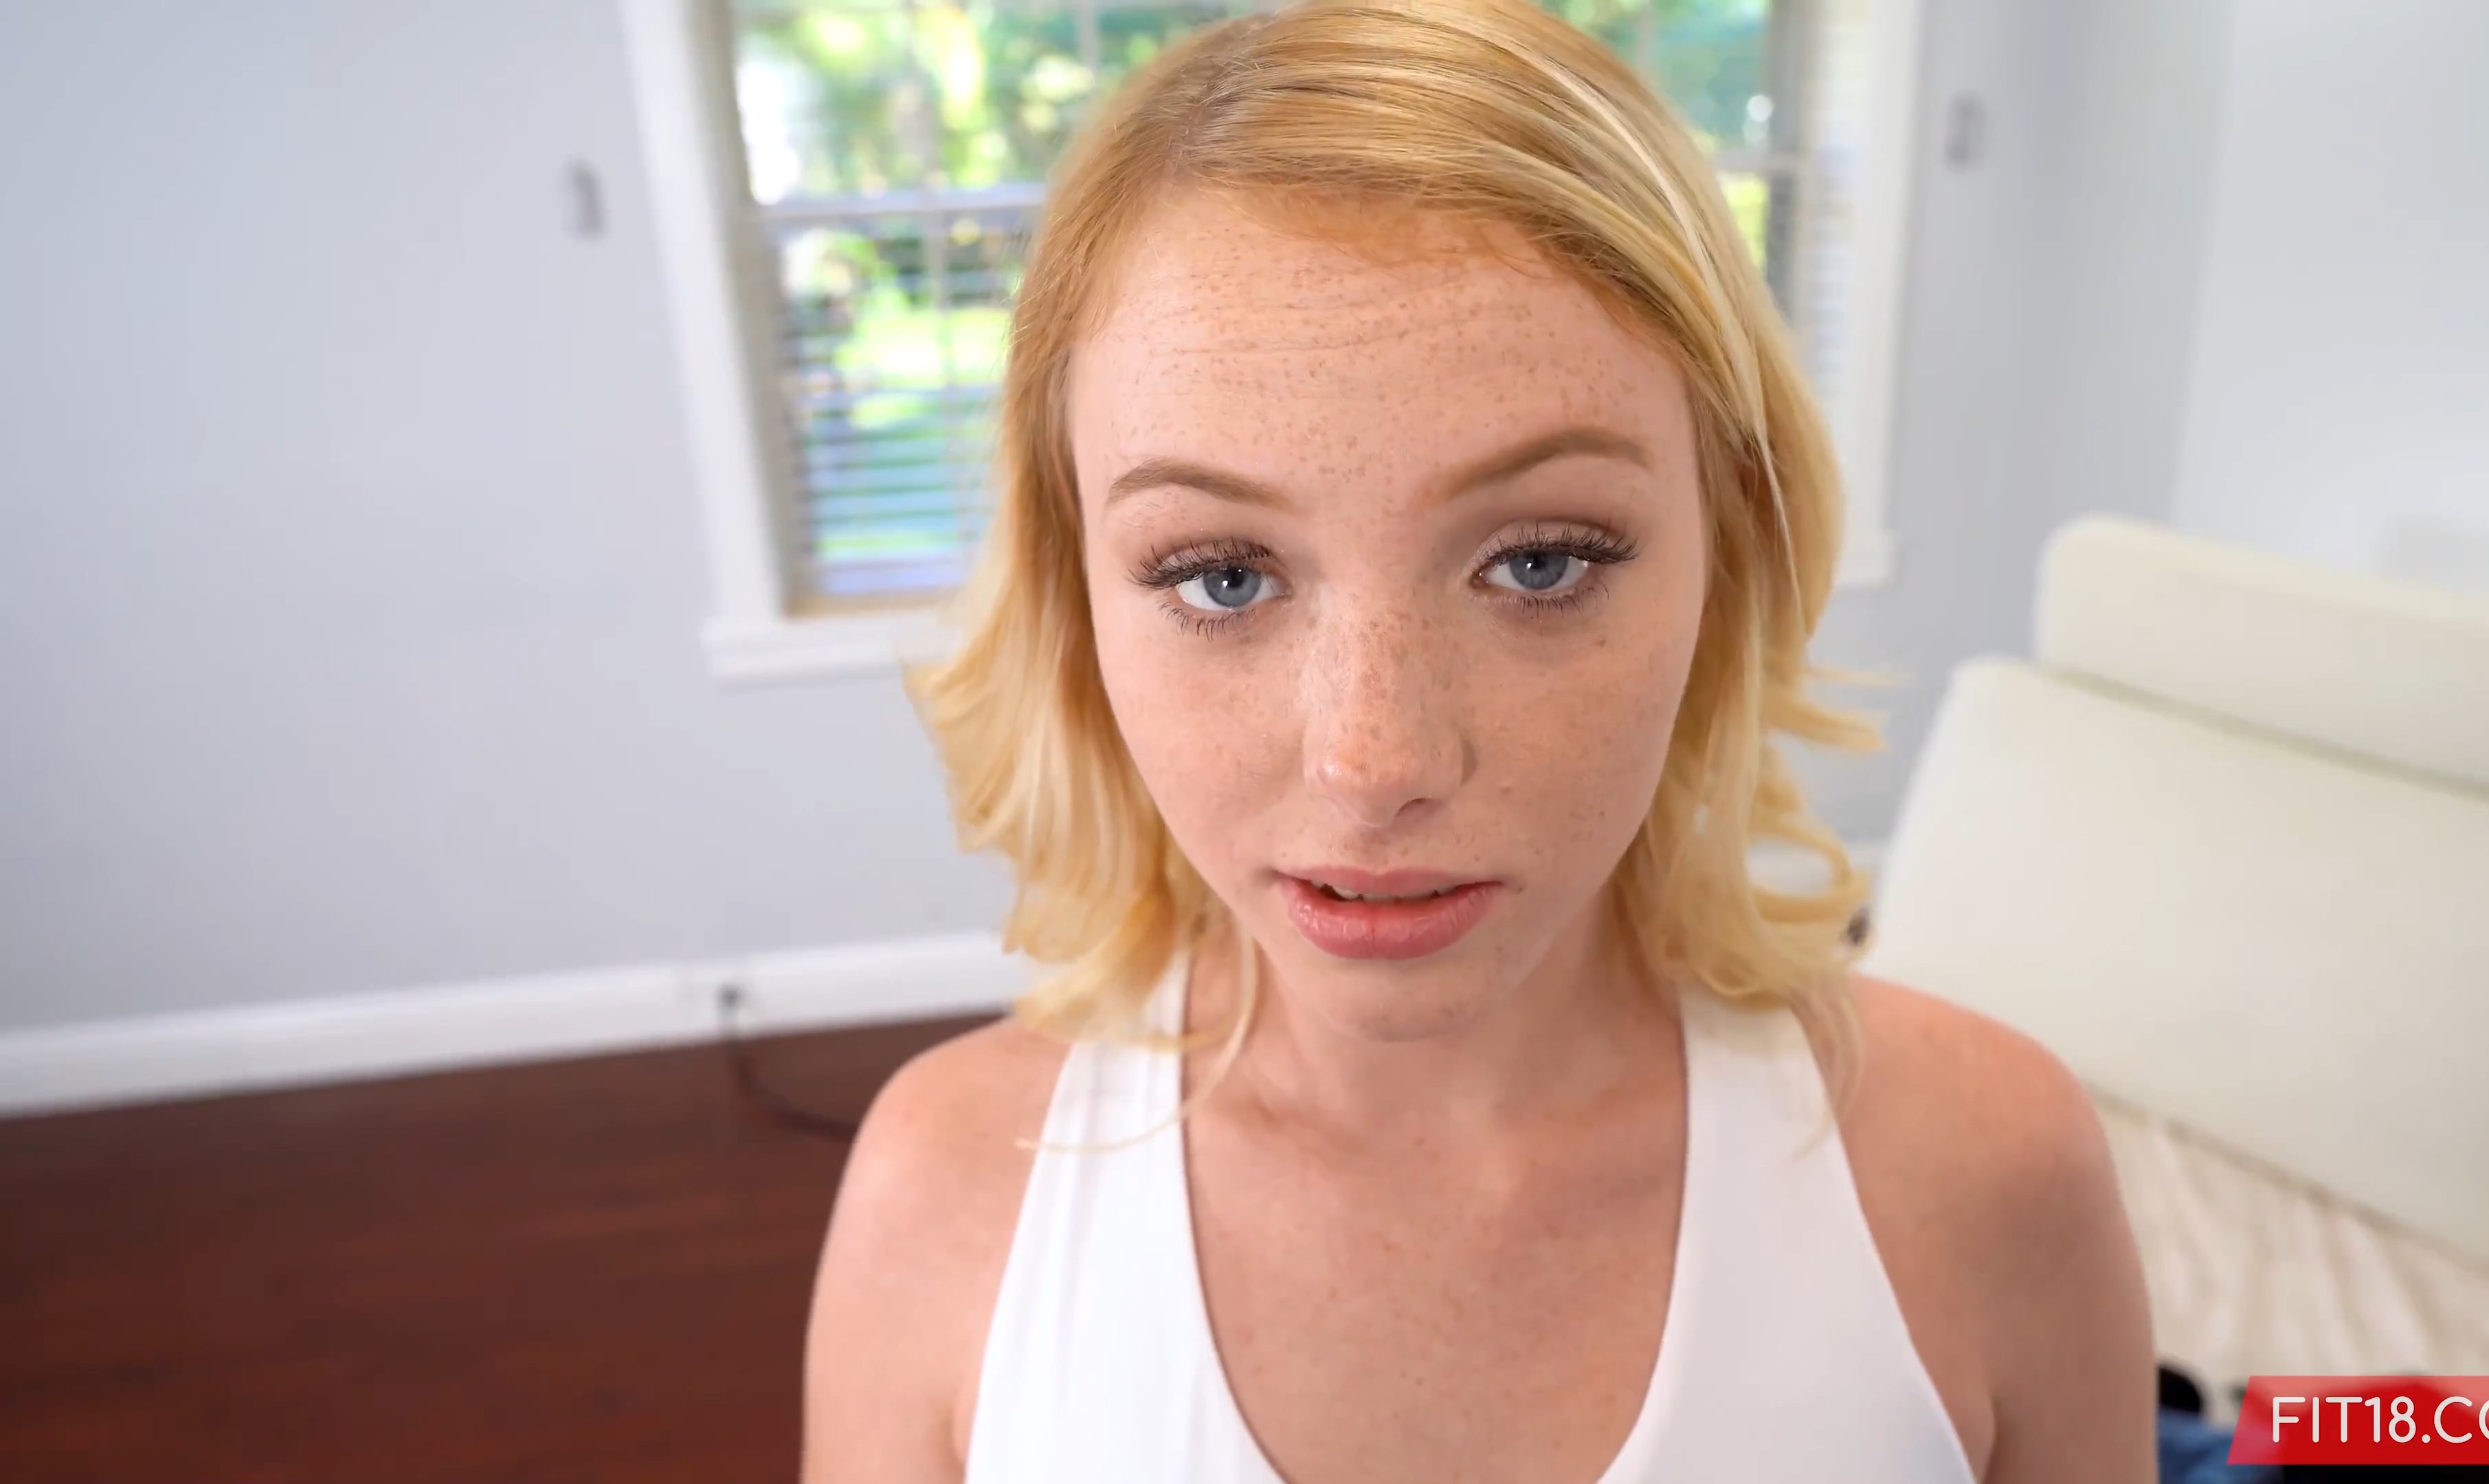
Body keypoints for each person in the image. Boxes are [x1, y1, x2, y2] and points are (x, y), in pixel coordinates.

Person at [801, 1, 2154, 1478]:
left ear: (1731, 555)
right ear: (1077, 598)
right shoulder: (942, 1200)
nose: (1375, 762)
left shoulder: (1991, 1169)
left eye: (1541, 561)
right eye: (1223, 577)